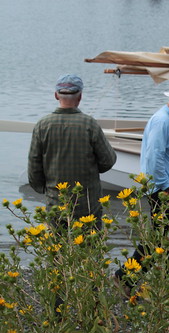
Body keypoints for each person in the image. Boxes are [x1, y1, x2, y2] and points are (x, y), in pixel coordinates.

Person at [114, 82, 169, 296]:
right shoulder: (163, 120)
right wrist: (166, 188)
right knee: (164, 240)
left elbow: (164, 151)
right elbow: (154, 158)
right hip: (165, 192)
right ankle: (124, 277)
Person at [28, 74, 117, 228]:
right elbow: (108, 161)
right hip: (88, 204)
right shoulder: (89, 124)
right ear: (80, 96)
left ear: (56, 95)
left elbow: (34, 167)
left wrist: (45, 190)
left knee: (58, 248)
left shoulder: (42, 125)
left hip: (56, 203)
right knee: (90, 249)